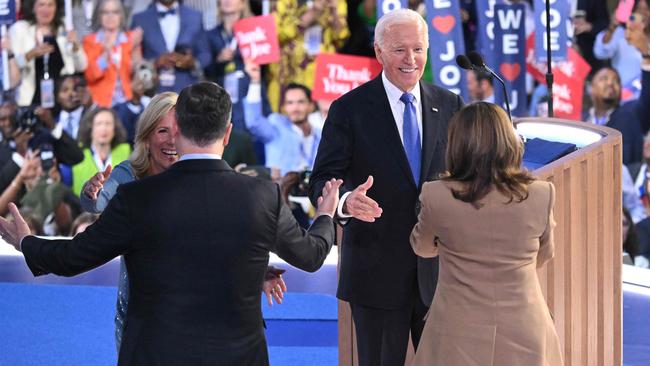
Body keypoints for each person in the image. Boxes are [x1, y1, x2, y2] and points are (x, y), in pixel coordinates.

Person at [0, 81, 339, 365]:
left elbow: (73, 257)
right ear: (228, 131)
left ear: (177, 131)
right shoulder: (265, 195)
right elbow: (311, 256)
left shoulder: (137, 197)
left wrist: (26, 242)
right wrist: (325, 213)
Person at [308, 9, 463, 365]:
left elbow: (464, 173)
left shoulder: (450, 104)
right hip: (376, 274)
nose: (411, 60)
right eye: (399, 50)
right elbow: (321, 180)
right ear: (378, 52)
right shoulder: (349, 109)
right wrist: (345, 201)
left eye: (418, 49)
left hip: (439, 274)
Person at [409, 102, 563, 365]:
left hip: (456, 330)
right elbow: (545, 253)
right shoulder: (541, 193)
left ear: (457, 144)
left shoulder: (435, 194)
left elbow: (422, 248)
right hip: (525, 328)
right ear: (509, 142)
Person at [9, 0, 87, 107]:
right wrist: (30, 54)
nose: (46, 10)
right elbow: (12, 69)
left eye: (50, 5)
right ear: (33, 7)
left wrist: (75, 46)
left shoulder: (64, 28)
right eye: (42, 5)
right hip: (32, 100)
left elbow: (82, 66)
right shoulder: (20, 29)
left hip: (62, 100)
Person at [82, 0, 143, 107]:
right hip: (99, 103)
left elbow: (137, 74)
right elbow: (90, 76)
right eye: (105, 12)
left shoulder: (130, 38)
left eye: (115, 12)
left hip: (127, 101)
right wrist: (106, 52)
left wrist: (135, 48)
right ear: (98, 15)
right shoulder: (90, 41)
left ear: (121, 15)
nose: (110, 16)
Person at [71, 107, 131, 196]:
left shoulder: (125, 150)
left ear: (115, 128)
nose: (104, 128)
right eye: (99, 124)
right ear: (90, 128)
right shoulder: (77, 151)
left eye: (108, 123)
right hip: (82, 207)